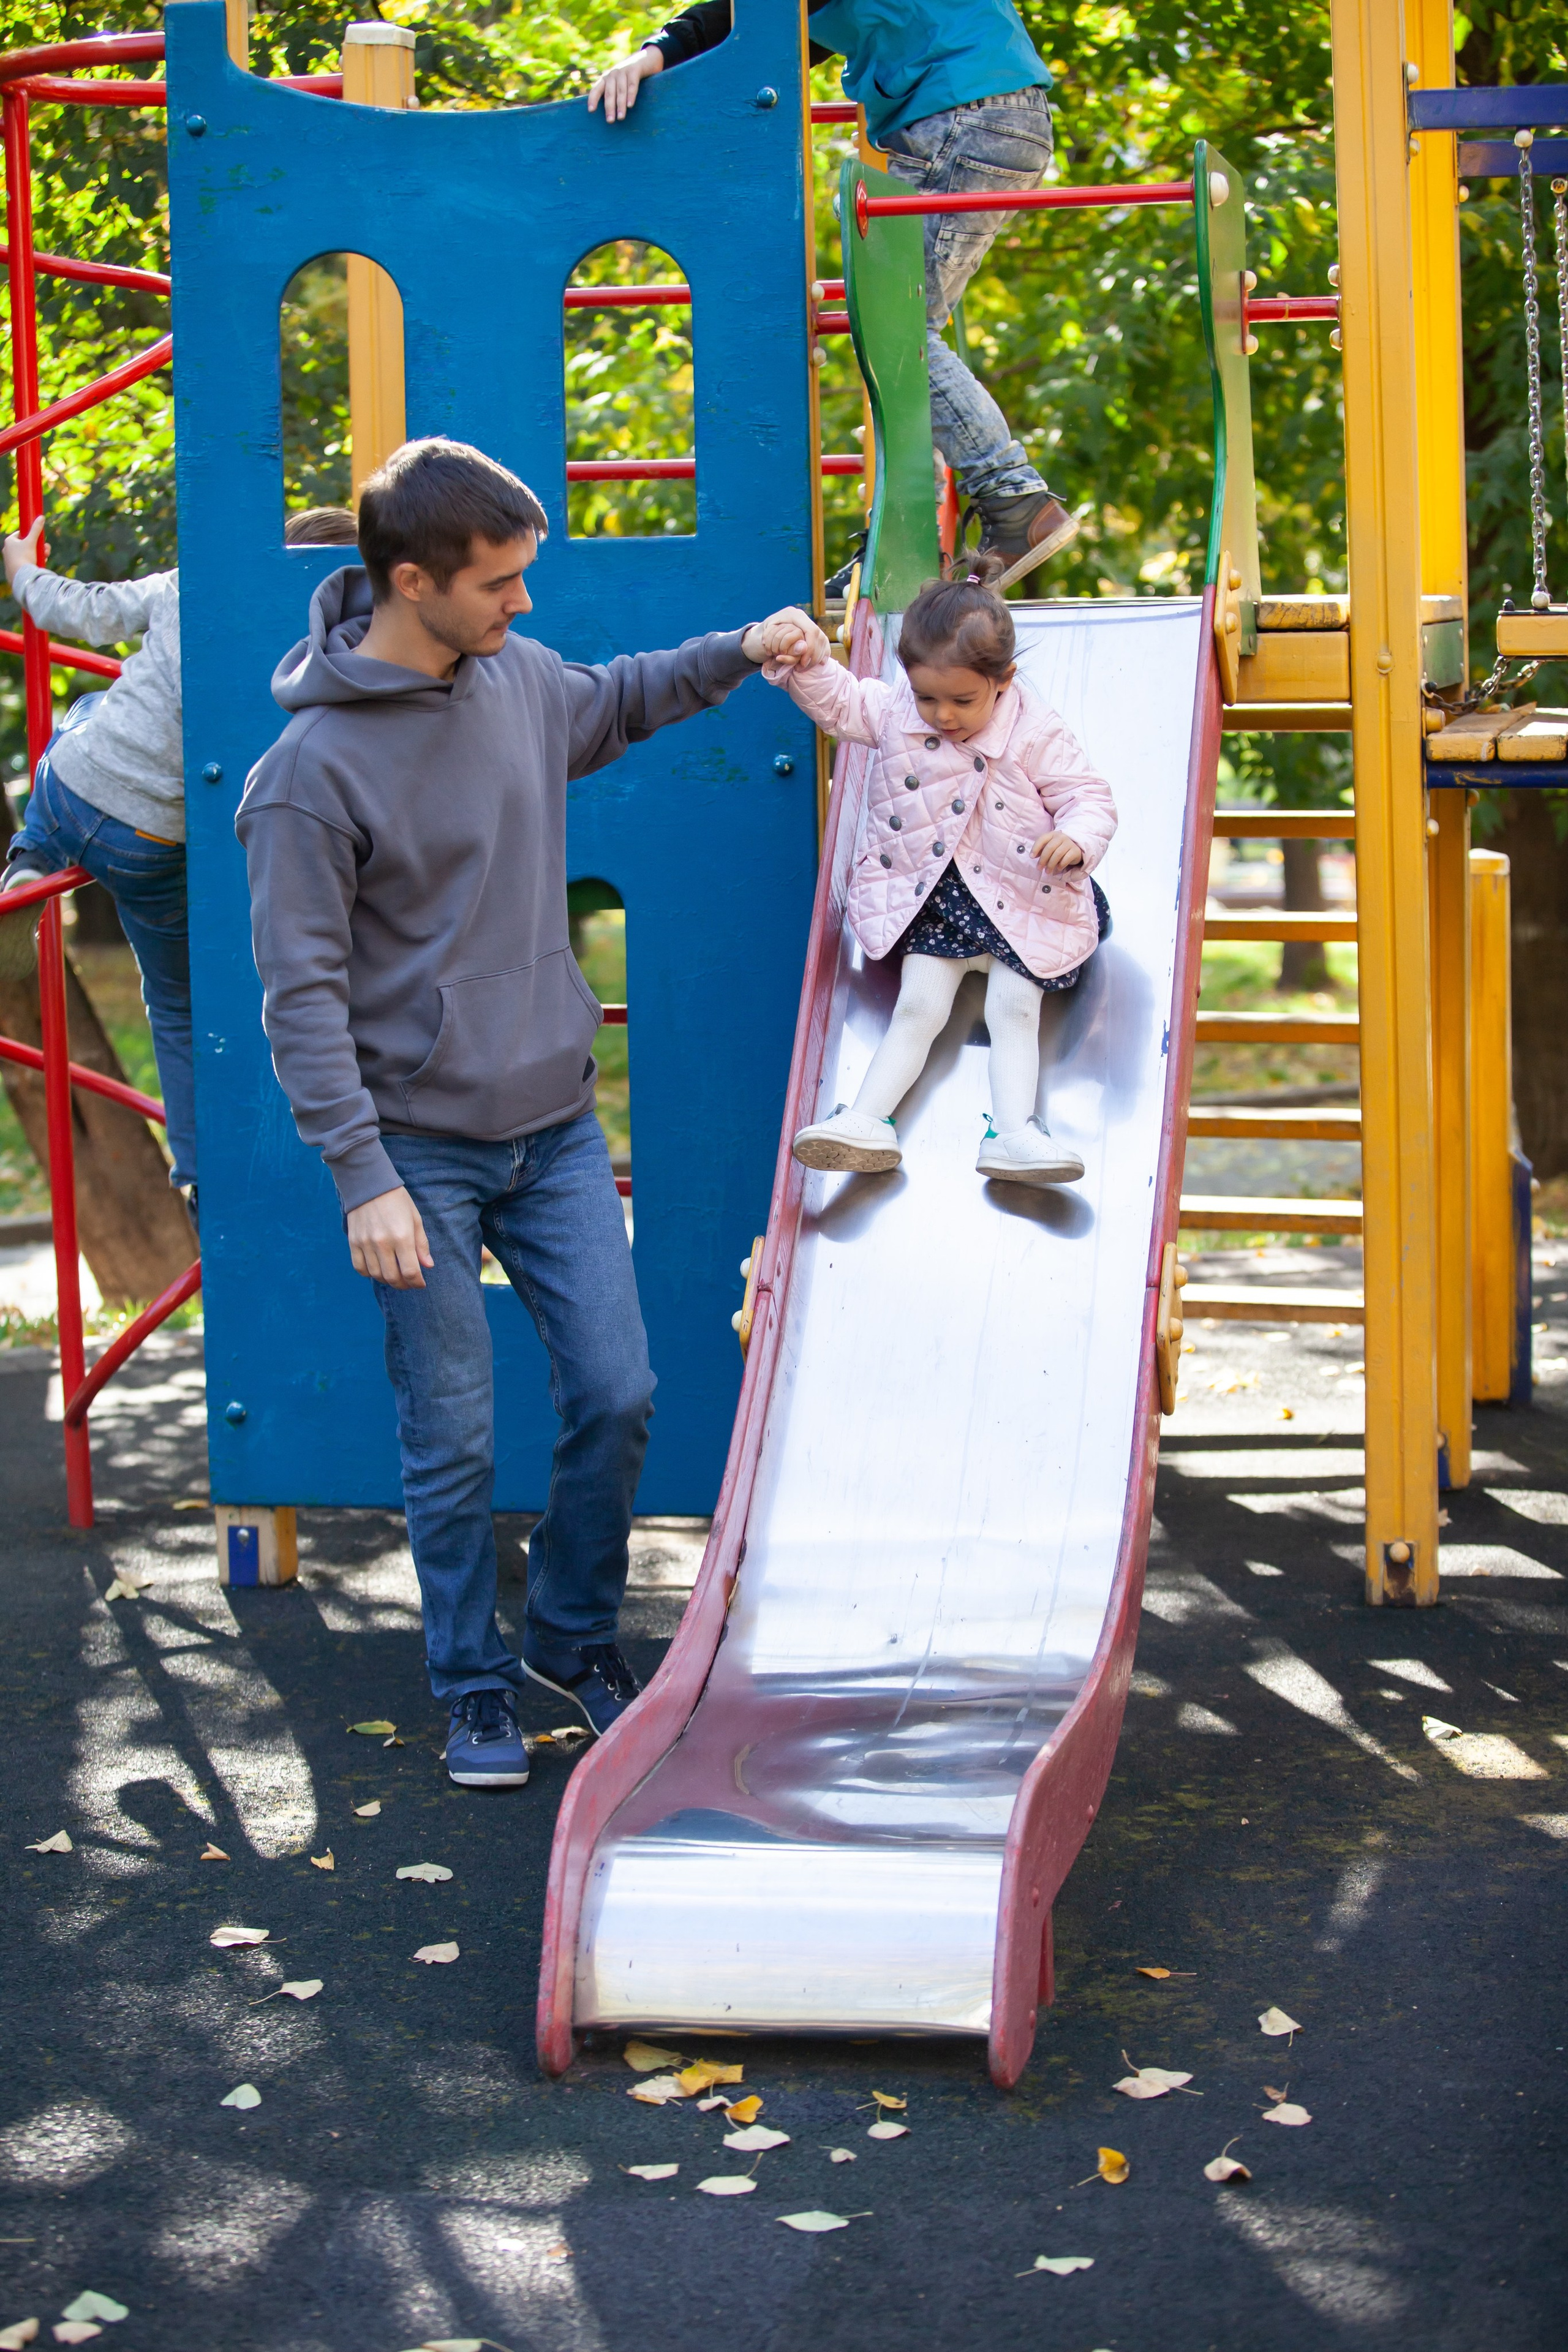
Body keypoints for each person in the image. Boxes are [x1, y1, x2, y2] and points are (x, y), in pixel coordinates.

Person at [238, 435, 823, 1791]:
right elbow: (299, 997)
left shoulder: (513, 680)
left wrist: (742, 651)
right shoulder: (306, 777)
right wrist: (362, 1175)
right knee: (450, 1436)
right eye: (498, 582)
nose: (523, 602)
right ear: (411, 581)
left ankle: (569, 1630)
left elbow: (615, 700)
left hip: (552, 1124)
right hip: (415, 1155)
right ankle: (471, 1683)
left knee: (618, 1392)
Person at [589, 0, 1075, 586]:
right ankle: (906, 547)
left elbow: (752, 18)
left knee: (897, 332)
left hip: (963, 116)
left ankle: (1013, 497)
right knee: (898, 331)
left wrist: (654, 55)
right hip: (990, 113)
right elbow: (777, 40)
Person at [1, 504, 359, 1214]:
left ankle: (29, 860)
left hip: (75, 794)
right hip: (157, 842)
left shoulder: (191, 582)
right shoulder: (325, 643)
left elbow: (76, 610)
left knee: (85, 712)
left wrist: (21, 568)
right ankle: (198, 1173)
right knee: (174, 1003)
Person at [760, 552, 1115, 1186]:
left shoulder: (1034, 729)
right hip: (933, 899)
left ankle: (1012, 1133)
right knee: (918, 1006)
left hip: (1019, 893)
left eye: (962, 700)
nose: (943, 715)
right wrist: (807, 664)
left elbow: (1086, 794)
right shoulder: (899, 711)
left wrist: (1075, 837)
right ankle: (866, 1121)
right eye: (927, 697)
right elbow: (843, 702)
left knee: (1014, 1009)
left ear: (1003, 681)